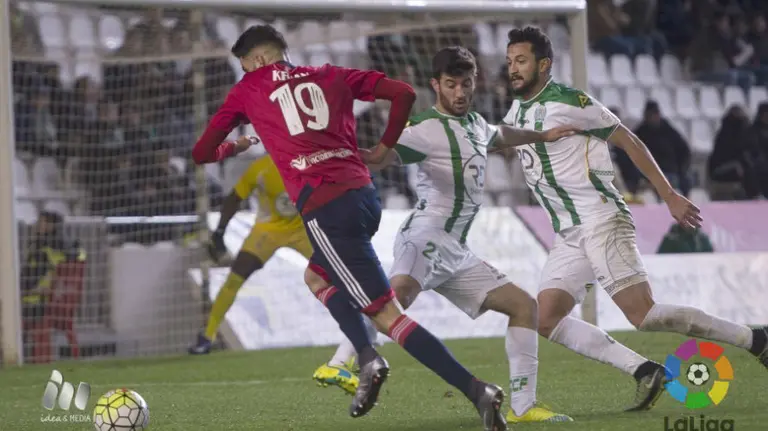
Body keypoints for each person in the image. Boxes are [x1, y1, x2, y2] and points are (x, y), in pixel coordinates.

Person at [192, 25, 507, 430]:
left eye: (245, 66)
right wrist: (382, 148)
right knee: (315, 276)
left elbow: (202, 152)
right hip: (364, 197)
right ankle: (365, 357)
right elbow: (404, 94)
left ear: (256, 61)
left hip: (325, 207)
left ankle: (475, 390)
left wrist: (232, 146)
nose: (246, 72)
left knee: (387, 317)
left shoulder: (250, 87)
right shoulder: (329, 74)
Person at [502, 26, 768, 411]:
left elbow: (628, 139)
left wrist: (669, 195)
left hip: (602, 219)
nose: (513, 68)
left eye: (521, 61)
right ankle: (645, 370)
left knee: (643, 314)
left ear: (544, 65)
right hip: (569, 234)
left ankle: (754, 340)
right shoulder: (515, 112)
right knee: (546, 319)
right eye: (510, 61)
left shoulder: (571, 101)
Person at [314, 46, 576, 424]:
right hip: (425, 236)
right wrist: (335, 153)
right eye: (451, 85)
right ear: (436, 85)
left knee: (524, 306)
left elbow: (500, 134)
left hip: (457, 251)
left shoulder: (475, 124)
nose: (460, 93)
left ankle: (524, 406)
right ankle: (339, 362)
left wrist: (544, 134)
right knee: (395, 296)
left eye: (466, 84)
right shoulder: (423, 129)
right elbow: (378, 156)